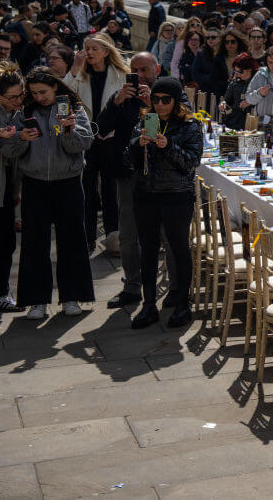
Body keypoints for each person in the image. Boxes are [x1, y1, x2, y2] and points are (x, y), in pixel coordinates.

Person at [2, 68, 94, 320]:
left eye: (43, 92)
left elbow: (82, 144)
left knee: (72, 240)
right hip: (35, 183)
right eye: (33, 93)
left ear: (56, 88)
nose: (39, 97)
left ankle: (71, 297)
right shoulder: (25, 113)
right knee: (34, 243)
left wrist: (68, 130)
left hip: (68, 182)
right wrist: (21, 138)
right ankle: (36, 300)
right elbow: (9, 151)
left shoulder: (74, 110)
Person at [127, 77, 204, 329]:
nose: (159, 105)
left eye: (165, 100)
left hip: (176, 195)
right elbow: (129, 159)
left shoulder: (189, 126)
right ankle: (149, 304)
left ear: (176, 101)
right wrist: (139, 144)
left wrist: (168, 145)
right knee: (148, 249)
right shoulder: (145, 121)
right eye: (156, 99)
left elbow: (191, 163)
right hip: (146, 194)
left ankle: (182, 304)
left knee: (179, 247)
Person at [95, 51, 165, 309]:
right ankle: (132, 285)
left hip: (161, 175)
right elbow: (100, 128)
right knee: (128, 234)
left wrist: (151, 106)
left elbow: (158, 132)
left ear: (157, 68)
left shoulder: (168, 92)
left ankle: (169, 286)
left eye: (145, 69)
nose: (140, 75)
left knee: (164, 234)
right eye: (135, 70)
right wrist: (115, 103)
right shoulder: (122, 97)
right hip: (129, 172)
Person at [64, 33, 129, 255]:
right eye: (86, 48)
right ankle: (87, 237)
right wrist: (74, 68)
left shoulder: (120, 74)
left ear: (106, 52)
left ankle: (114, 238)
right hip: (86, 141)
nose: (89, 52)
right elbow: (62, 97)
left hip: (110, 140)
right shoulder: (79, 75)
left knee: (111, 191)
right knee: (88, 191)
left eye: (94, 49)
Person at [0, 63, 23, 312]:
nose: (19, 100)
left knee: (6, 242)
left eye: (22, 94)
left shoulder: (19, 111)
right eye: (13, 97)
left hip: (8, 188)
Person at [246, 45, 273, 139]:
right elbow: (248, 98)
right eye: (270, 62)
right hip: (264, 122)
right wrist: (259, 93)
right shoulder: (261, 74)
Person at [221, 53, 258, 130]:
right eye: (236, 71)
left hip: (252, 125)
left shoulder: (258, 81)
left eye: (240, 72)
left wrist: (251, 102)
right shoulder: (235, 81)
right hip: (233, 122)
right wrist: (223, 104)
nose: (238, 75)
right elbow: (227, 100)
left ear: (249, 69)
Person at [192, 28, 230, 97]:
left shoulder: (226, 53)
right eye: (208, 37)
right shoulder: (201, 54)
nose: (210, 39)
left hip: (223, 92)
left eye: (213, 37)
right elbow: (195, 74)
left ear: (220, 38)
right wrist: (210, 79)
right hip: (206, 92)